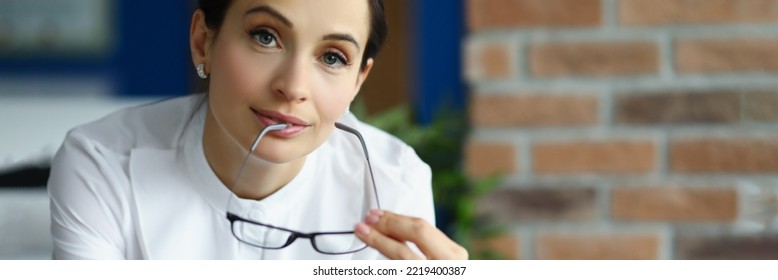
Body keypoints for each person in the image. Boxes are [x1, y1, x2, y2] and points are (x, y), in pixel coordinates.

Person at [47, 0, 467, 260]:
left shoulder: (395, 182)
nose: (294, 87)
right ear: (203, 41)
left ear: (358, 79)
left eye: (334, 57)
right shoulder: (101, 163)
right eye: (265, 36)